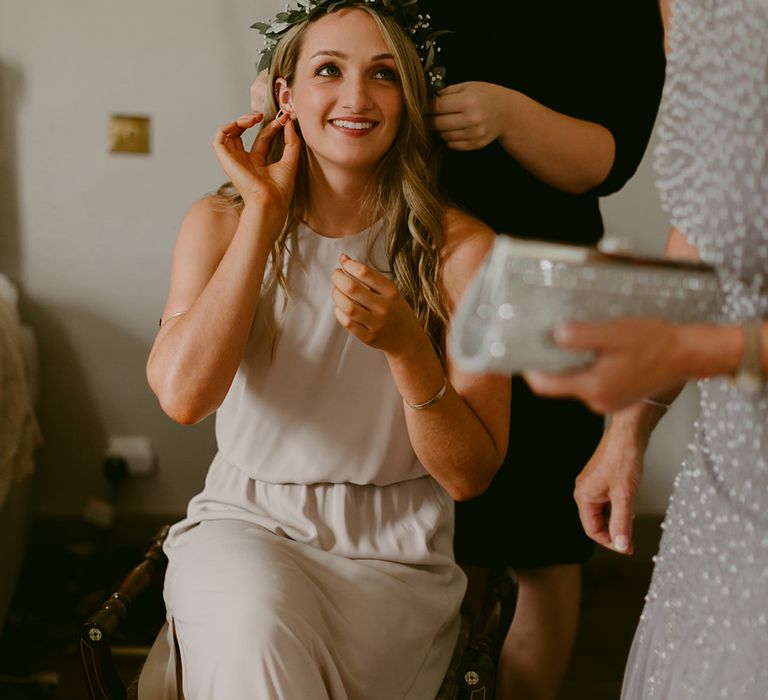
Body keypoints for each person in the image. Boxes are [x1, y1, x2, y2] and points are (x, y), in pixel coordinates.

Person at [145, 2, 511, 698]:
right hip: (245, 523)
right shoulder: (219, 222)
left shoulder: (463, 252)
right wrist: (262, 215)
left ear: (408, 98)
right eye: (327, 70)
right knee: (252, 623)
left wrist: (409, 349)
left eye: (382, 74)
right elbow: (184, 398)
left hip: (393, 552)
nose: (354, 97)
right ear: (287, 96)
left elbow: (470, 475)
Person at [415, 2, 667, 698]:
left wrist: (511, 116)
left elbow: (607, 159)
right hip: (409, 261)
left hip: (543, 277)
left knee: (539, 534)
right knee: (423, 511)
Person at [524, 1, 768, 698]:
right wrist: (629, 425)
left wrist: (700, 347)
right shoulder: (685, 11)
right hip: (727, 478)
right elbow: (707, 233)